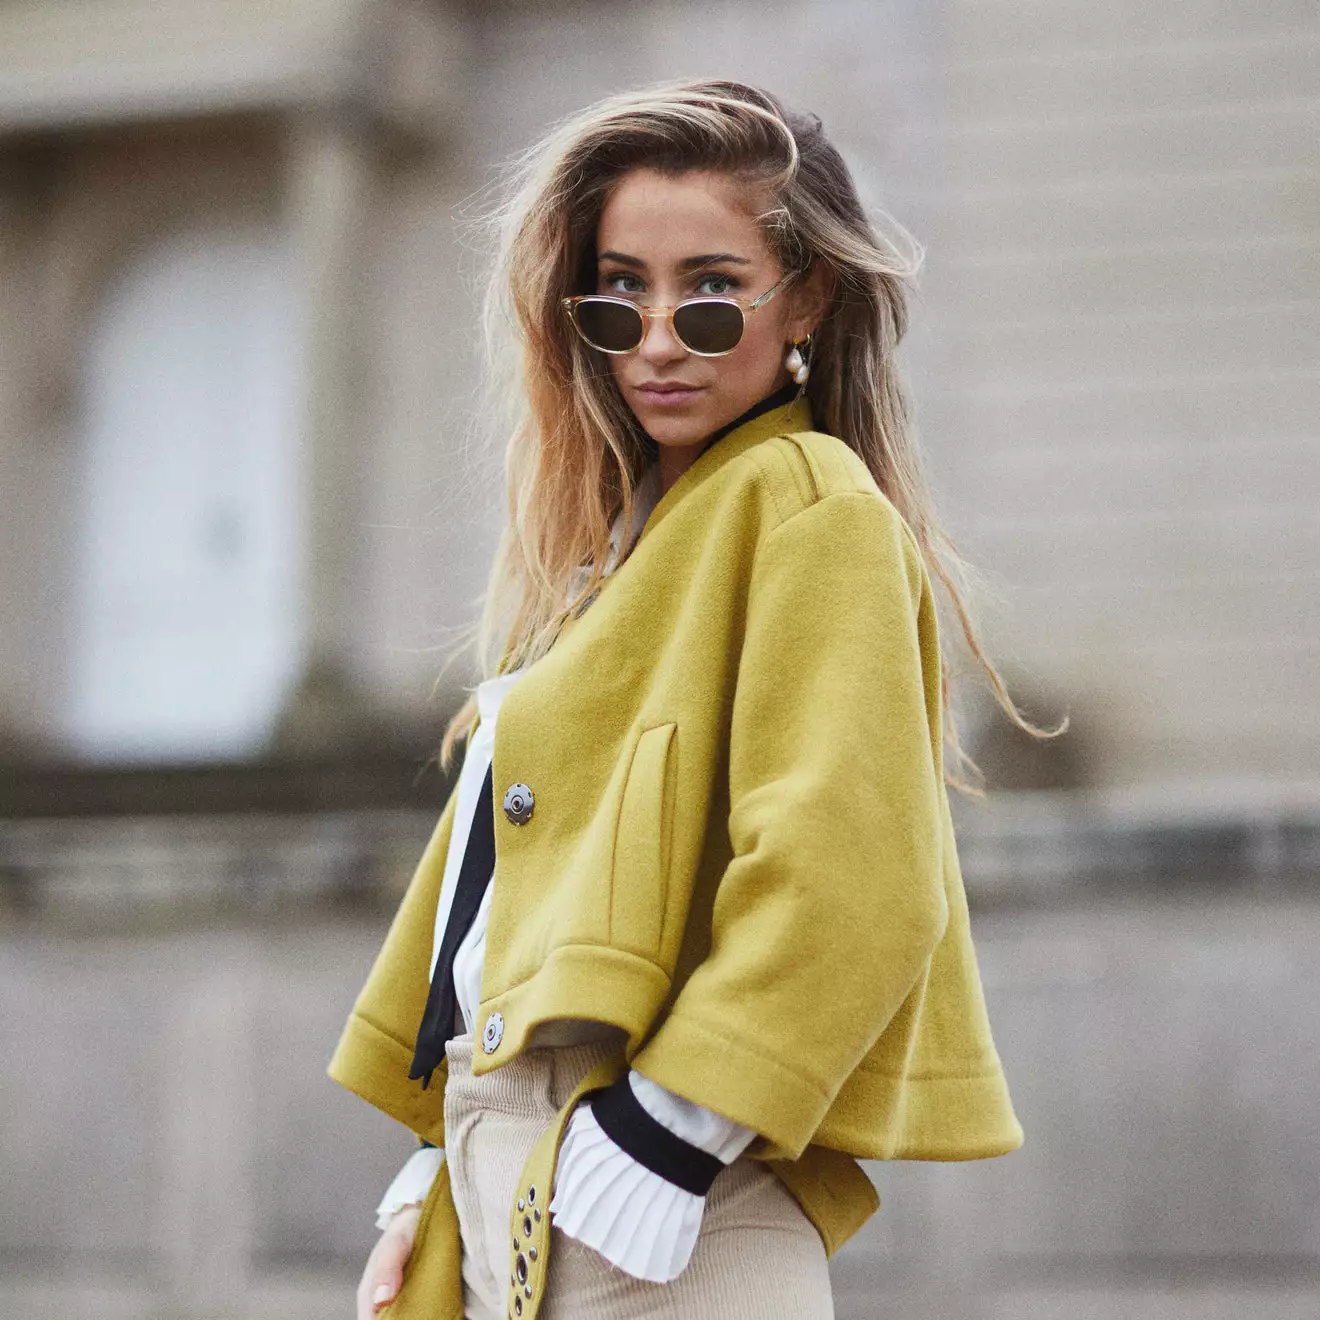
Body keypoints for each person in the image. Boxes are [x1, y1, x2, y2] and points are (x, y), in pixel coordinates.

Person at [329, 77, 1056, 1320]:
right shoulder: (619, 549)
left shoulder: (807, 505)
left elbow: (854, 875)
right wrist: (434, 1164)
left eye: (712, 294)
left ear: (806, 299)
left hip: (664, 1206)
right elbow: (509, 889)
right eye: (621, 295)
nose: (659, 338)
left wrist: (671, 1129)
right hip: (511, 1178)